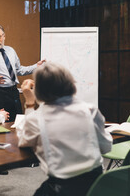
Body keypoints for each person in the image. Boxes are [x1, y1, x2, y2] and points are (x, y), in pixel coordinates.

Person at [17, 62, 112, 196]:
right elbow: (106, 147)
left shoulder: (36, 119)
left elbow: (24, 141)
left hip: (62, 189)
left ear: (39, 89)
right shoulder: (90, 110)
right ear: (70, 82)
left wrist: (29, 103)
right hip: (96, 184)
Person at [0, 23, 45, 122]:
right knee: (1, 124)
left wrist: (36, 66)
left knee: (17, 122)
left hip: (14, 93)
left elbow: (18, 70)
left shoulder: (10, 51)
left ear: (4, 36)